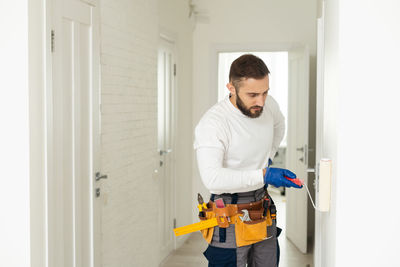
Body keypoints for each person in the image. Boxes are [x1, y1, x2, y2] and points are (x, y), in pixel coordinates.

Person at [194, 54, 302, 267]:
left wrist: (268, 157)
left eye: (265, 92)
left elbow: (279, 124)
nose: (260, 101)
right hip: (228, 213)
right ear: (231, 88)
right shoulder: (213, 123)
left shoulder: (267, 104)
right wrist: (264, 175)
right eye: (252, 94)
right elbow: (213, 178)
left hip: (262, 208)